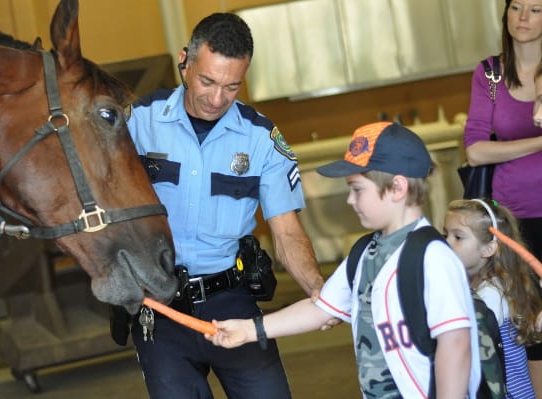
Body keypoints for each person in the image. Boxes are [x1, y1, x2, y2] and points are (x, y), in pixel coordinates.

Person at [125, 12, 325, 399]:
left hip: (231, 299)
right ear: (185, 61)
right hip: (161, 308)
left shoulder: (262, 139)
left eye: (232, 87)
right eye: (207, 81)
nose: (217, 99)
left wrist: (319, 290)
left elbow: (286, 232)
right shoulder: (138, 124)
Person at [206, 121, 481, 398]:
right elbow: (320, 310)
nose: (350, 199)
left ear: (397, 188)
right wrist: (249, 329)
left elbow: (455, 343)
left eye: (358, 189)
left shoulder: (433, 257)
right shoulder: (364, 253)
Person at [463, 1, 542, 392]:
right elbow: (475, 150)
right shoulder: (490, 74)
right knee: (532, 329)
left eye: (536, 9)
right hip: (514, 219)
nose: (523, 17)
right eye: (516, 7)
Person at [444, 198, 542, 398]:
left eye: (458, 237)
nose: (446, 243)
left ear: (488, 249)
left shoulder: (489, 297)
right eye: (445, 234)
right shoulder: (497, 285)